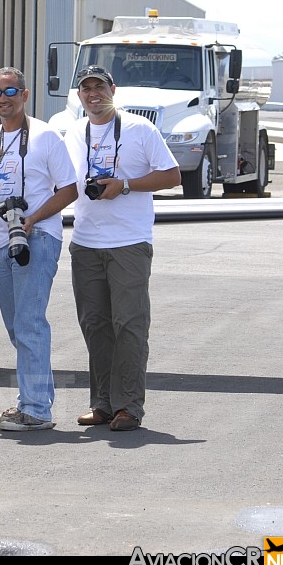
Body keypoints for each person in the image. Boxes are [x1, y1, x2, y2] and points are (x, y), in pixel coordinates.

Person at [64, 65, 181, 432]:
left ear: (113, 89)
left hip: (128, 243)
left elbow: (172, 176)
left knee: (129, 324)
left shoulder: (138, 128)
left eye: (100, 86)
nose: (93, 93)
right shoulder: (72, 131)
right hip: (85, 242)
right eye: (86, 88)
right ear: (79, 94)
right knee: (95, 326)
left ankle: (129, 405)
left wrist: (125, 184)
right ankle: (102, 403)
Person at [0, 66, 78, 432]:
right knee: (17, 327)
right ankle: (30, 401)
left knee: (30, 324)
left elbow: (68, 190)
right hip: (2, 242)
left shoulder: (46, 136)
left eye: (11, 91)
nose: (3, 98)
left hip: (38, 236)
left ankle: (36, 410)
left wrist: (32, 220)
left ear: (26, 95)